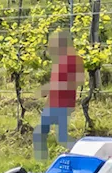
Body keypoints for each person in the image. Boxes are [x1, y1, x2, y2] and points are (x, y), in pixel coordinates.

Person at [36, 29, 84, 162]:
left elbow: (74, 82)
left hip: (61, 104)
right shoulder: (60, 61)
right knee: (44, 134)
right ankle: (42, 162)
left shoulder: (71, 61)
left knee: (57, 136)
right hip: (55, 103)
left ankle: (82, 153)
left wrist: (49, 88)